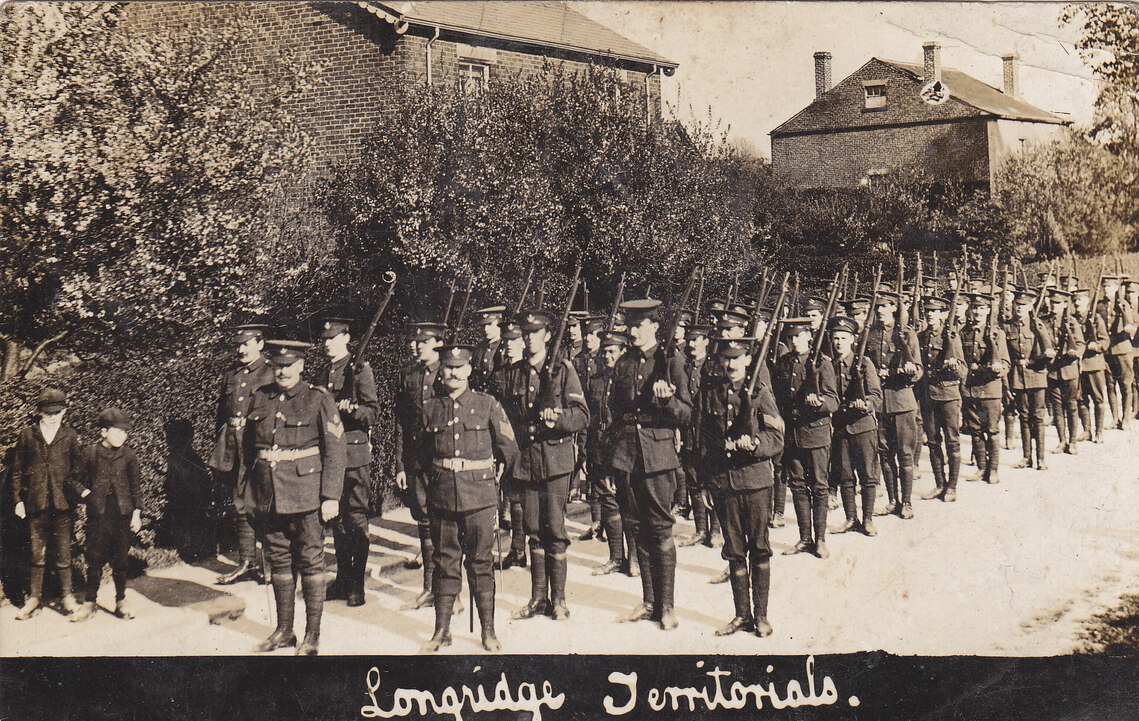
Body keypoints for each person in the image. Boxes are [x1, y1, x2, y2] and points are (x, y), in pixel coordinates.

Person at [247, 340, 346, 655]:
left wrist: (330, 496)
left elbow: (335, 450)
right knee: (278, 559)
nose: (282, 372)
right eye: (277, 366)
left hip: (306, 496)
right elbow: (251, 449)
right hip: (270, 495)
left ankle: (312, 635)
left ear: (301, 366)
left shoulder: (318, 399)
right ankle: (284, 631)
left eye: (288, 366)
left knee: (311, 561)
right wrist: (249, 491)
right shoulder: (262, 398)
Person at [420, 346, 519, 653]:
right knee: (445, 562)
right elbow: (421, 455)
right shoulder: (430, 408)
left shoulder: (487, 404)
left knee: (480, 563)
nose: (453, 373)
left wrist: (495, 482)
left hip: (479, 497)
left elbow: (510, 448)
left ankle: (488, 631)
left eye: (459, 367)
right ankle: (442, 631)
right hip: (442, 497)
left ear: (469, 371)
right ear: (442, 371)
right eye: (448, 367)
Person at [608, 298, 692, 630]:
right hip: (627, 456)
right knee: (636, 528)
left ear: (655, 327)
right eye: (630, 325)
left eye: (640, 325)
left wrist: (667, 400)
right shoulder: (624, 364)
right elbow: (614, 411)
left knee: (660, 529)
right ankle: (649, 601)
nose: (633, 331)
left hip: (657, 457)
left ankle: (667, 605)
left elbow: (687, 413)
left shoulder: (671, 362)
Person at [698, 338, 783, 638]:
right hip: (724, 483)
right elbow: (704, 444)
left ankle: (761, 616)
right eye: (726, 358)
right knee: (734, 552)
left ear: (748, 359)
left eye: (737, 358)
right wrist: (705, 484)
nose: (731, 364)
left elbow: (777, 436)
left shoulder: (761, 394)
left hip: (756, 481)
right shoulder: (712, 394)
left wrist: (757, 444)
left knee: (759, 548)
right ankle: (741, 615)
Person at [508, 311, 589, 621]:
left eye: (535, 332)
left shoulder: (563, 370)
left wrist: (559, 419)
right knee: (533, 530)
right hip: (527, 461)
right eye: (525, 333)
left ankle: (559, 600)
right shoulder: (516, 372)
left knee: (554, 529)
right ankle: (537, 599)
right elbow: (507, 419)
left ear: (546, 335)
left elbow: (582, 416)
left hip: (555, 461)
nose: (529, 338)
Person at [317, 317, 380, 607]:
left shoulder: (360, 370)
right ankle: (342, 580)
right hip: (331, 457)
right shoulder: (323, 372)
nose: (328, 344)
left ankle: (357, 584)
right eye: (326, 340)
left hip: (354, 455)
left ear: (347, 338)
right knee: (337, 522)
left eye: (334, 339)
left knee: (355, 518)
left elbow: (372, 412)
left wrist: (352, 409)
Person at [209, 323, 276, 585]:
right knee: (239, 504)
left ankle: (271, 563)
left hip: (259, 449)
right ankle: (246, 561)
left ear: (260, 344)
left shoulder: (270, 373)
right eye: (238, 345)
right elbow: (221, 416)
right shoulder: (232, 375)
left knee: (265, 506)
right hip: (234, 449)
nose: (240, 349)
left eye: (246, 344)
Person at [12, 388, 86, 620]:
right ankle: (34, 598)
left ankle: (67, 596)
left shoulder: (70, 436)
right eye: (47, 413)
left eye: (57, 412)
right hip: (36, 504)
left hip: (62, 505)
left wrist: (75, 497)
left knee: (64, 552)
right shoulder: (27, 435)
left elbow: (77, 471)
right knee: (37, 553)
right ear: (39, 413)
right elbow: (16, 472)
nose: (53, 417)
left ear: (64, 412)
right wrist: (17, 501)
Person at [393, 322, 449, 610]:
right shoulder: (409, 375)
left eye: (423, 342)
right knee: (425, 523)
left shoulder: (450, 371)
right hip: (417, 461)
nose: (416, 347)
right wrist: (401, 464)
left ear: (437, 344)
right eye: (415, 342)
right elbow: (402, 422)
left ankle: (452, 591)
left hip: (443, 458)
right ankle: (429, 587)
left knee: (448, 524)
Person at [774, 318, 838, 558]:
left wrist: (820, 403)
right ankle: (804, 538)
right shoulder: (782, 364)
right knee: (798, 485)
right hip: (792, 434)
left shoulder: (822, 363)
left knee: (820, 486)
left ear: (808, 337)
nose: (793, 342)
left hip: (816, 432)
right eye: (790, 338)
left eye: (798, 337)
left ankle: (820, 540)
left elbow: (834, 400)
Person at [70, 408, 142, 622]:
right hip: (99, 514)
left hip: (122, 513)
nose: (123, 436)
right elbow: (73, 479)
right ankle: (90, 602)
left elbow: (136, 487)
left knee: (121, 559)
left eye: (125, 432)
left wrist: (136, 514)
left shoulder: (128, 455)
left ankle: (121, 600)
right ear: (103, 432)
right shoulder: (90, 453)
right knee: (94, 559)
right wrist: (87, 494)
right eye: (117, 431)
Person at [865, 290, 923, 518]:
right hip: (879, 403)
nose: (880, 310)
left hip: (901, 400)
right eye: (877, 306)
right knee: (885, 454)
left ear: (893, 308)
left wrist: (909, 371)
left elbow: (918, 369)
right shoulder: (869, 335)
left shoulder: (907, 334)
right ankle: (892, 501)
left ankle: (906, 502)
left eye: (884, 306)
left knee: (905, 454)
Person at [828, 316, 883, 534]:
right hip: (841, 427)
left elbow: (876, 395)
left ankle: (867, 519)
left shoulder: (863, 363)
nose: (839, 342)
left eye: (843, 338)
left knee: (868, 474)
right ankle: (851, 518)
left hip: (863, 426)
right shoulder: (828, 365)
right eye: (835, 338)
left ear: (852, 340)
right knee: (845, 475)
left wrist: (866, 404)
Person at [590, 331, 632, 576]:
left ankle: (634, 558)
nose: (606, 356)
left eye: (612, 351)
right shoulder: (596, 380)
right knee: (607, 500)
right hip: (600, 447)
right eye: (604, 351)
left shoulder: (629, 380)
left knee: (629, 502)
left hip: (624, 448)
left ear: (623, 352)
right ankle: (616, 557)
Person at [961, 293, 1010, 485]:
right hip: (971, 389)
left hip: (990, 389)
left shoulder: (998, 334)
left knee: (992, 430)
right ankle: (981, 468)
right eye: (974, 308)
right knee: (975, 430)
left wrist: (998, 368)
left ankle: (994, 470)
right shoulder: (963, 333)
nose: (977, 312)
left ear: (988, 310)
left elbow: (1006, 363)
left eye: (982, 308)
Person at [493, 322, 529, 571]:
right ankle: (517, 549)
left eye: (513, 341)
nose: (508, 346)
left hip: (527, 442)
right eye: (506, 342)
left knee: (531, 500)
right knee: (513, 498)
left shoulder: (529, 372)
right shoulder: (499, 374)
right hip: (507, 444)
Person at [1004, 291, 1052, 469]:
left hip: (1037, 376)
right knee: (1023, 417)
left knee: (1038, 417)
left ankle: (1040, 458)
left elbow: (1049, 354)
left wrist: (1032, 361)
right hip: (1018, 377)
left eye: (1023, 305)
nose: (1019, 308)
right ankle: (1026, 457)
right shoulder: (1007, 327)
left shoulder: (1037, 325)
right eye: (1017, 304)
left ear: (1030, 306)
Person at [679, 324, 716, 548]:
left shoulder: (713, 367)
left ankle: (717, 530)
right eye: (690, 340)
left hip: (709, 431)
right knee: (693, 479)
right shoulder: (684, 367)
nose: (691, 344)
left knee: (712, 480)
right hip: (689, 431)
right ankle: (701, 529)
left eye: (697, 339)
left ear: (706, 342)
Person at [1044, 289, 1086, 455]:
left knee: (1072, 406)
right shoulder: (1044, 321)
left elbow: (1081, 344)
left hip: (1069, 370)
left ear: (1064, 305)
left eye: (1058, 303)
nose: (1054, 306)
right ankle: (1062, 441)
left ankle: (1073, 441)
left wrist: (1076, 353)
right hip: (1053, 370)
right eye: (1052, 302)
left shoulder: (1072, 322)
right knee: (1057, 408)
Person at [1101, 274, 1135, 429]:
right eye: (1104, 286)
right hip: (1108, 352)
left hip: (1122, 349)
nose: (1106, 289)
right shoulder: (1100, 305)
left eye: (1109, 286)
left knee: (1125, 384)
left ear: (1116, 288)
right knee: (1110, 385)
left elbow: (1130, 322)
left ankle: (1126, 418)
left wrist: (1123, 311)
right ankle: (1115, 418)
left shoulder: (1123, 304)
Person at [1074, 288, 1109, 443]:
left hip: (1094, 363)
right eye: (1075, 301)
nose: (1076, 304)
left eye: (1079, 301)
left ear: (1087, 301)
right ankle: (1087, 430)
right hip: (1078, 365)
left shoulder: (1096, 318)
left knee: (1098, 399)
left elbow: (1105, 341)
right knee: (1081, 399)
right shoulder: (1072, 319)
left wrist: (1097, 346)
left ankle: (1099, 432)